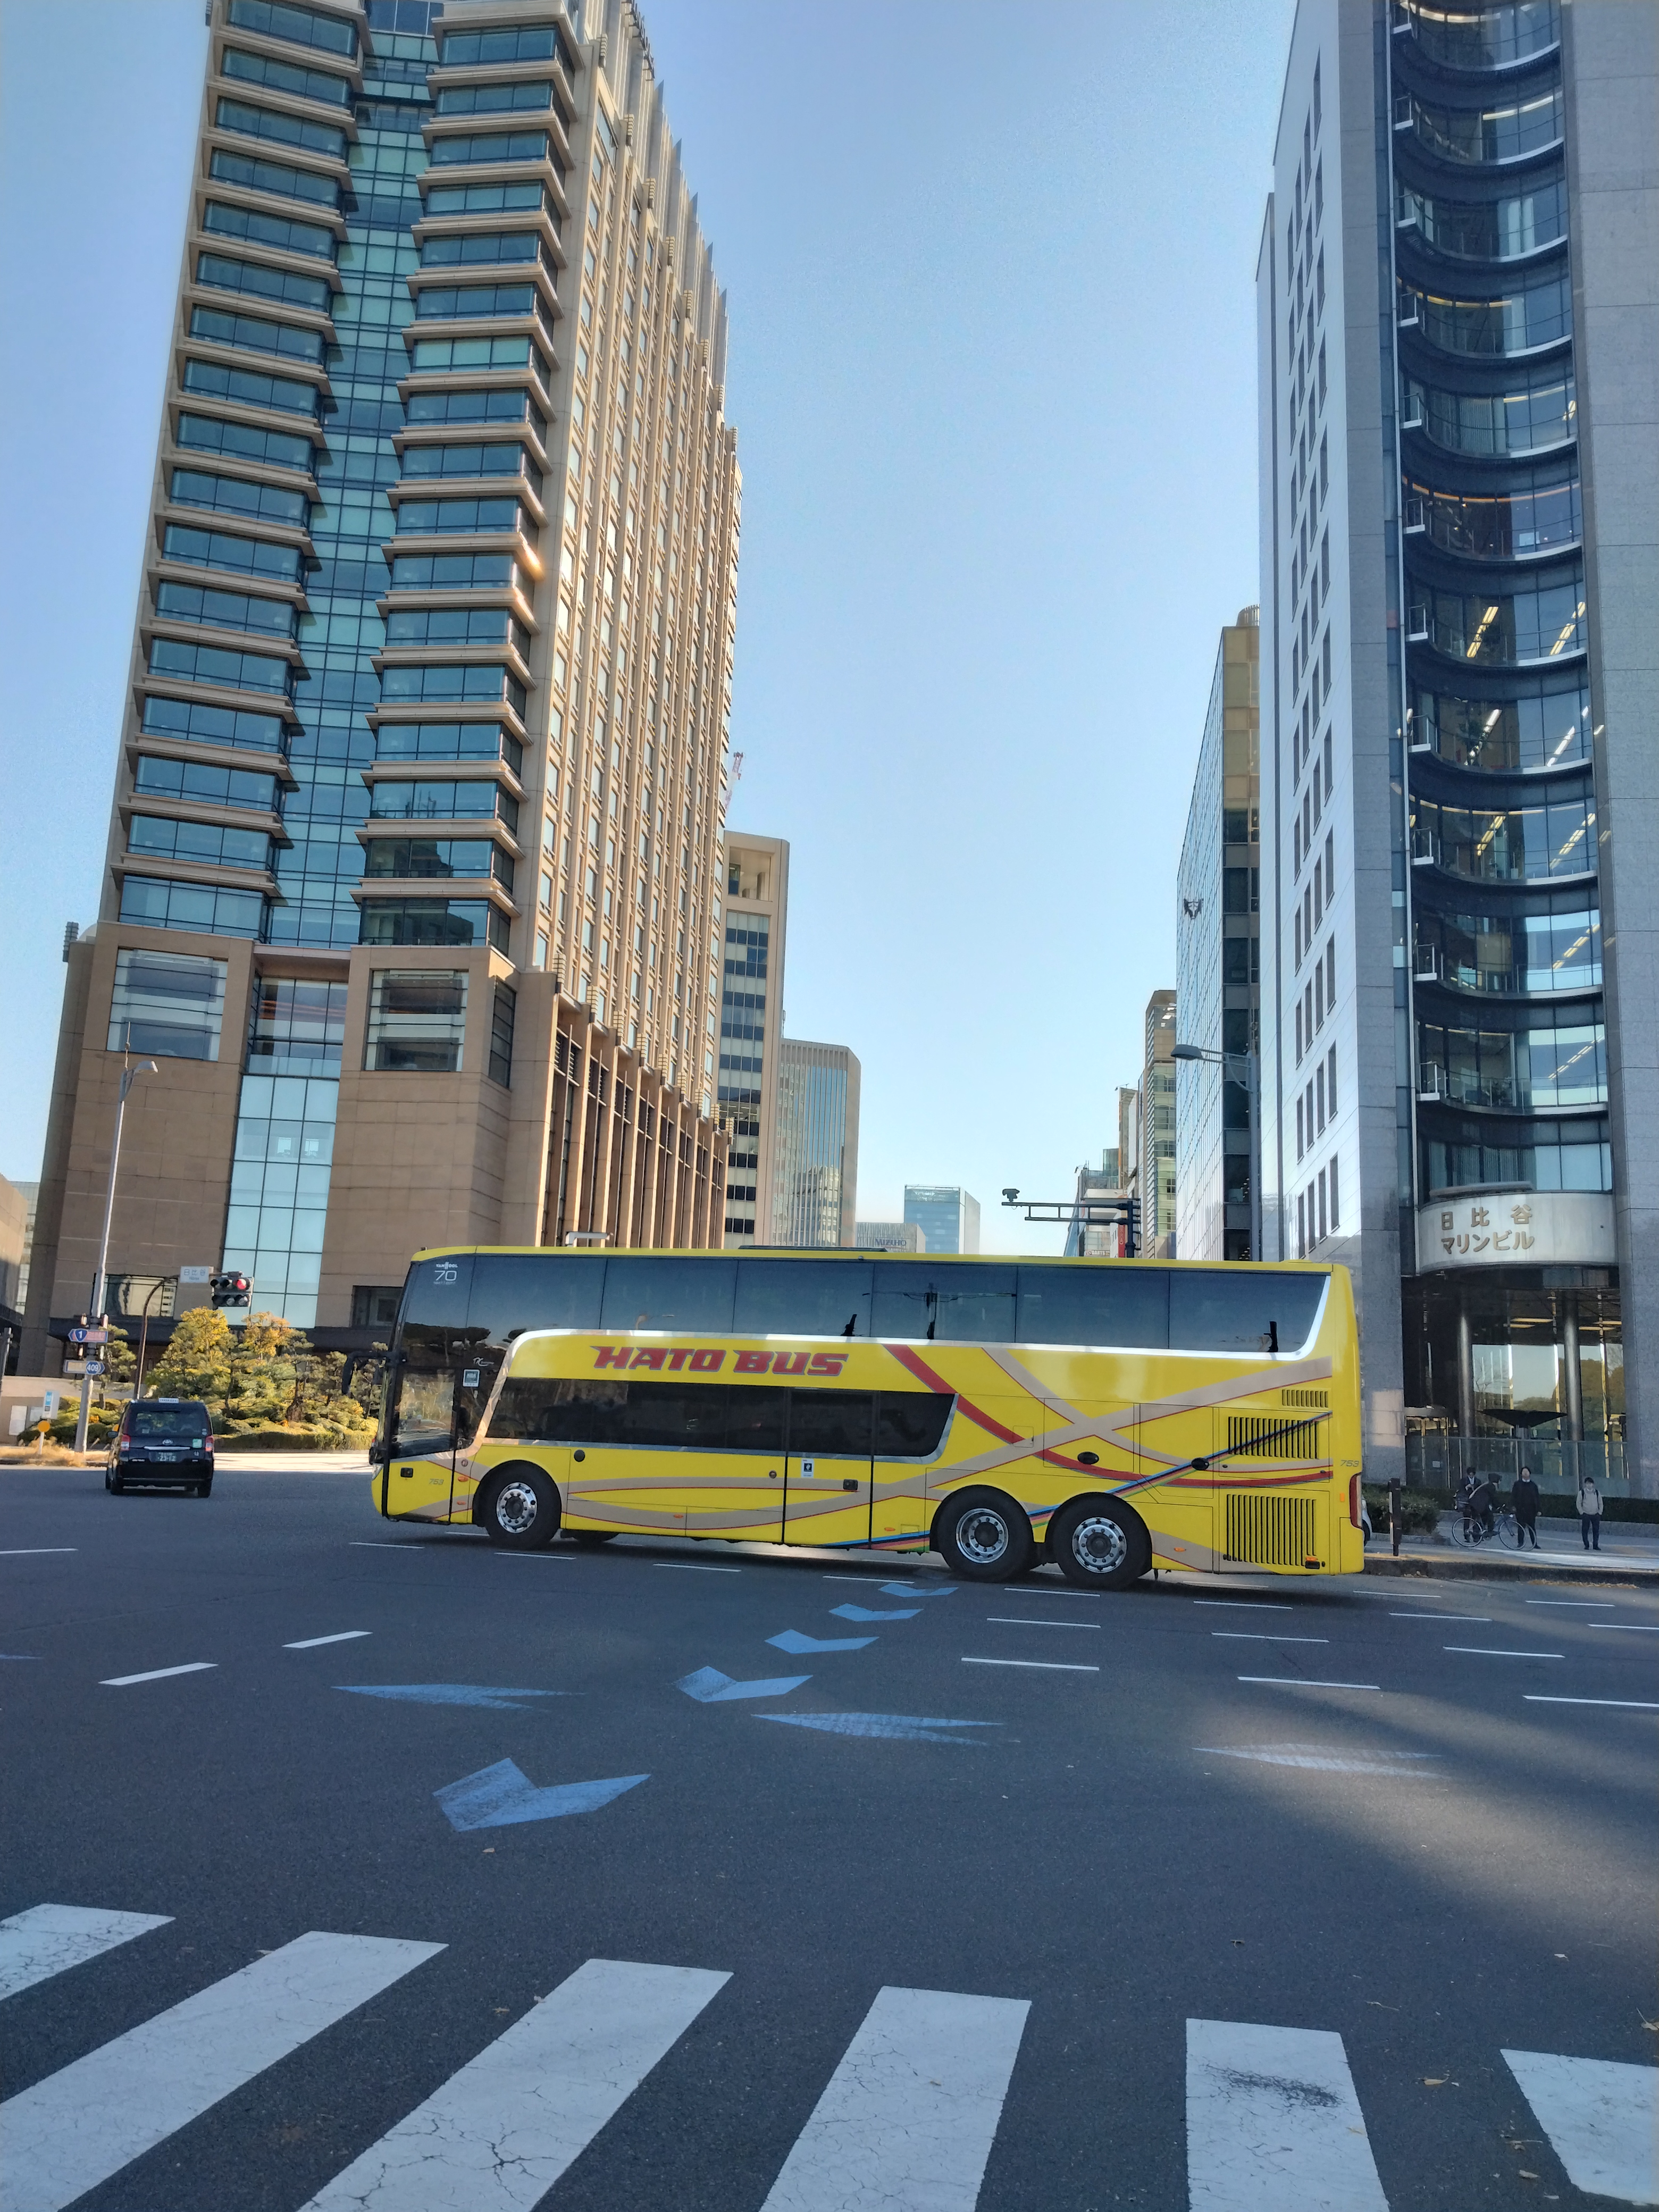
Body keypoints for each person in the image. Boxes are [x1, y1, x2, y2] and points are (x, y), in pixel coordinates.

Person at [1512, 1466, 1541, 1549]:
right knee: (1521, 1527)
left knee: (1532, 1527)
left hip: (1531, 1510)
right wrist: (1514, 1506)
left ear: (1530, 1473)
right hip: (1520, 1510)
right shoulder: (1517, 1484)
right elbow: (1513, 1496)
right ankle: (1520, 1543)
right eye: (1524, 1472)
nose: (1525, 1473)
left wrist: (1539, 1510)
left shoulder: (1533, 1485)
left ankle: (1534, 1543)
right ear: (1521, 1474)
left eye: (1527, 1471)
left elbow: (1537, 1498)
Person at [1577, 1469, 1603, 1552]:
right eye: (1588, 1483)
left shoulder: (1597, 1493)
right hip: (1586, 1514)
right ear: (1586, 1484)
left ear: (1593, 1484)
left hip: (1596, 1514)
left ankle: (1596, 1545)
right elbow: (1578, 1503)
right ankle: (1587, 1545)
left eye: (1591, 1483)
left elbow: (1601, 1503)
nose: (1589, 1485)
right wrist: (1582, 1513)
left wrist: (1600, 1513)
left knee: (1596, 1531)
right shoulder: (1582, 1493)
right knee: (1585, 1530)